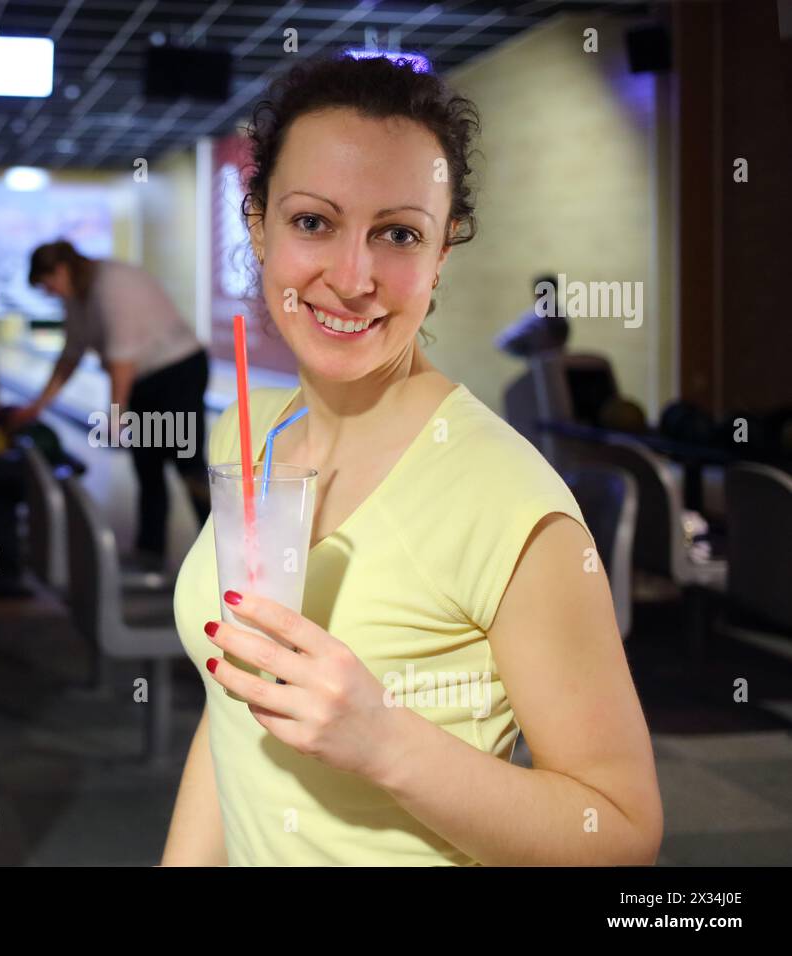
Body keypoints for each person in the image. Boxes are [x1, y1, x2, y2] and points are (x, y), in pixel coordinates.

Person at [160, 51, 662, 866]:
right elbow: (230, 712)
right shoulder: (244, 436)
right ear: (258, 230)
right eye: (313, 222)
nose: (353, 278)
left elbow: (623, 831)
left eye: (398, 234)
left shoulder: (510, 504)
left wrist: (383, 741)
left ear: (440, 257)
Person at [13, 240, 210, 567]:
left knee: (186, 463)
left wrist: (116, 415)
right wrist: (38, 405)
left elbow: (121, 359)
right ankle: (151, 552)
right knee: (147, 466)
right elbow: (70, 355)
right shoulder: (77, 297)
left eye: (48, 284)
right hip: (145, 379)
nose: (49, 293)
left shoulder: (112, 284)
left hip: (178, 371)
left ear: (61, 269)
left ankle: (219, 552)